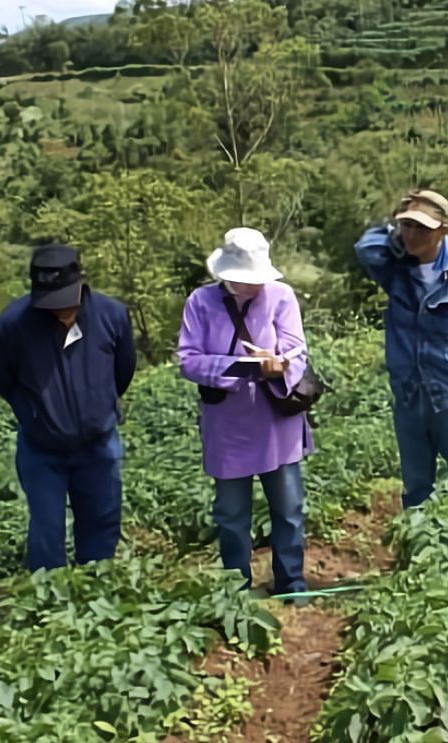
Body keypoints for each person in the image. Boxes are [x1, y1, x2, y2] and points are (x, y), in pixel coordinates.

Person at [178, 227, 311, 596]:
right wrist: (236, 368)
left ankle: (291, 582)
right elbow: (188, 360)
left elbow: (297, 350)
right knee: (232, 515)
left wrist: (278, 364)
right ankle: (236, 588)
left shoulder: (281, 296)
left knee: (288, 508)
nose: (252, 287)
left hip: (274, 421)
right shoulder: (201, 302)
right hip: (227, 425)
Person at [0, 243, 136, 571]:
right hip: (42, 450)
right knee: (47, 528)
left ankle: (96, 588)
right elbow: (3, 378)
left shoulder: (111, 315)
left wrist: (98, 406)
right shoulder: (12, 325)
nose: (61, 311)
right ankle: (51, 604)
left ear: (83, 283)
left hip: (98, 445)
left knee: (102, 520)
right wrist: (34, 414)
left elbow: (123, 370)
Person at [354, 189, 448, 509]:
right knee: (416, 484)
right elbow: (365, 248)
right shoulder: (395, 266)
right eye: (406, 226)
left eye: (421, 227)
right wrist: (396, 224)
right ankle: (421, 550)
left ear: (443, 231)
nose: (411, 235)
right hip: (409, 394)